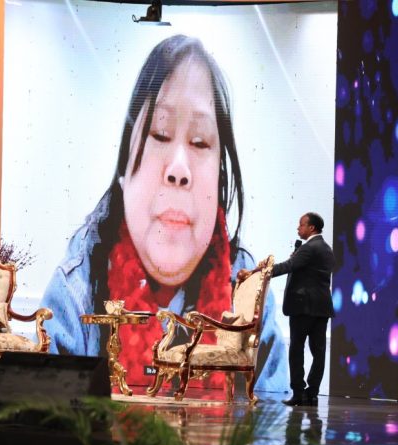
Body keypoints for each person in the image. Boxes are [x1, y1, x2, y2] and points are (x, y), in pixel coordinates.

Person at [39, 34, 288, 392]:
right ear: (125, 169)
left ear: (220, 178)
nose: (179, 168)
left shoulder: (248, 293)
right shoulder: (76, 289)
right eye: (159, 133)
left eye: (200, 142)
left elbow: (270, 422)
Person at [272, 212, 335, 406]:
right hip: (321, 308)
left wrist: (265, 271)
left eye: (301, 225)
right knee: (318, 352)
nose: (298, 228)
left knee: (297, 350)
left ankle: (298, 392)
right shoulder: (326, 248)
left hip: (303, 307)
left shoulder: (309, 248)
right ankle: (312, 393)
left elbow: (289, 266)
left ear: (311, 228)